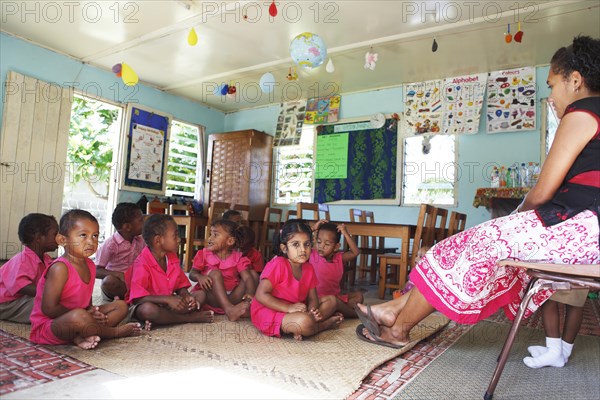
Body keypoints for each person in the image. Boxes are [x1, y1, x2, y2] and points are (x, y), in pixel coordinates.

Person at [355, 36, 600, 354]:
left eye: (553, 85)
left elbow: (542, 192)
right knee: (468, 246)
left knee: (470, 246)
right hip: (584, 227)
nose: (551, 97)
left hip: (582, 226)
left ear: (576, 80)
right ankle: (395, 311)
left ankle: (398, 324)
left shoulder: (583, 112)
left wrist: (513, 218)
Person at [30, 210, 143, 350]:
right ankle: (113, 333)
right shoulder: (60, 268)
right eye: (83, 235)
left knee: (120, 306)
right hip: (51, 326)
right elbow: (49, 309)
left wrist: (92, 311)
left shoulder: (90, 265)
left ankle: (85, 333)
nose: (91, 241)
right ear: (62, 240)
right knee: (79, 317)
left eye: (95, 236)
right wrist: (85, 314)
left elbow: (85, 301)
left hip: (80, 317)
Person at [250, 219, 344, 340]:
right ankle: (323, 325)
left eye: (307, 244)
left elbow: (312, 298)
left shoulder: (309, 268)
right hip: (270, 311)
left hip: (297, 309)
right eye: (296, 244)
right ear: (284, 248)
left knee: (331, 301)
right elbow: (261, 295)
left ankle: (305, 326)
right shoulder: (278, 264)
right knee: (304, 322)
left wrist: (312, 311)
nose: (303, 250)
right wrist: (288, 308)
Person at [126, 214, 214, 325]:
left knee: (201, 295)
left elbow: (180, 286)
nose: (179, 240)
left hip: (168, 305)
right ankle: (188, 318)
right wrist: (167, 299)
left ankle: (166, 319)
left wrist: (186, 296)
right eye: (175, 236)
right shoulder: (142, 263)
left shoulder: (172, 257)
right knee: (148, 310)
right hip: (150, 304)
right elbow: (138, 299)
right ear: (158, 240)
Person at [189, 220, 256, 321]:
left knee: (253, 274)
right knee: (215, 273)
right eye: (210, 234)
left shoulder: (238, 258)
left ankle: (245, 307)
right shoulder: (203, 254)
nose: (210, 238)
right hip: (210, 296)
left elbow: (247, 278)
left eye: (215, 235)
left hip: (232, 297)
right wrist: (200, 277)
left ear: (230, 241)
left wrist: (249, 295)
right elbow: (192, 274)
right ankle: (229, 310)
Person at [0, 214, 58, 323]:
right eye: (55, 234)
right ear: (39, 238)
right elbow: (21, 286)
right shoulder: (22, 259)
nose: (59, 238)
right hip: (6, 303)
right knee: (45, 305)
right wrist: (51, 294)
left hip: (22, 299)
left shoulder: (47, 260)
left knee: (53, 304)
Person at [311, 220, 363, 317]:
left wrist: (345, 234)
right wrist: (313, 229)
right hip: (318, 300)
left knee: (358, 295)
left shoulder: (339, 258)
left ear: (336, 247)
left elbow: (355, 252)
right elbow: (299, 239)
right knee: (333, 302)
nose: (321, 246)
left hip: (335, 297)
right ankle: (353, 314)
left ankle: (335, 311)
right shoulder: (312, 255)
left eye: (327, 244)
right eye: (319, 242)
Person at [96, 203, 145, 300]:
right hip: (119, 283)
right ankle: (133, 297)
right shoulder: (110, 244)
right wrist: (117, 274)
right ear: (127, 227)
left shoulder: (141, 241)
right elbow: (96, 271)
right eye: (141, 221)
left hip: (135, 281)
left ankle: (135, 295)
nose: (144, 223)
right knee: (109, 282)